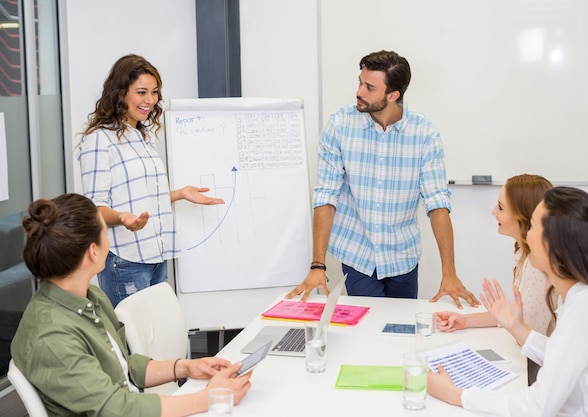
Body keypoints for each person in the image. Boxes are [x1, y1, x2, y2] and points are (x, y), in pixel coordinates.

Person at [10, 193, 251, 416]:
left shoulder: (88, 296)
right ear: (93, 252)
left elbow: (121, 364)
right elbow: (117, 409)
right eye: (106, 232)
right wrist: (210, 397)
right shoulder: (53, 337)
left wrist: (185, 368)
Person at [286, 50, 478, 307]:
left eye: (369, 87)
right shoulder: (340, 125)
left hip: (403, 257)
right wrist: (318, 265)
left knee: (401, 331)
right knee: (366, 330)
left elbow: (437, 203)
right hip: (358, 255)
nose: (359, 92)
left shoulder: (424, 134)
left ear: (393, 95)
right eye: (360, 82)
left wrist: (449, 272)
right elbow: (326, 195)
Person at [427, 187, 588, 416]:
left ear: (553, 245)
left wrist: (455, 394)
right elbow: (562, 355)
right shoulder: (584, 296)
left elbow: (537, 407)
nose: (526, 235)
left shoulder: (585, 308)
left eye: (531, 226)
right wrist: (517, 327)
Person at [76, 54, 224, 307]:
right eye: (141, 92)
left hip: (156, 253)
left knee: (156, 337)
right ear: (120, 92)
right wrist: (123, 218)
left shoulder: (143, 137)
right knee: (134, 341)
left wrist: (179, 193)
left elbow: (139, 196)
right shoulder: (99, 140)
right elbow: (95, 208)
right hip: (125, 259)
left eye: (154, 92)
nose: (150, 100)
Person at [435, 174, 555, 384]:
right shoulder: (523, 253)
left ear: (523, 216)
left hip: (542, 371)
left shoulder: (538, 268)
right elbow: (514, 317)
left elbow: (525, 331)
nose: (492, 212)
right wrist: (466, 321)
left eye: (500, 207)